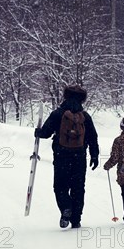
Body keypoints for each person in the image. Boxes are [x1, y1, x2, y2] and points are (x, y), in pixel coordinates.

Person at [35, 85, 99, 228]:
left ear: (66, 96)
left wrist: (37, 132)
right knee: (78, 187)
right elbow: (92, 137)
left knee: (60, 186)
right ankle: (76, 220)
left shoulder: (58, 114)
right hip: (80, 156)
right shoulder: (85, 117)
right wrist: (94, 156)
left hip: (61, 156)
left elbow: (45, 133)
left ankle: (66, 208)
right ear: (82, 99)